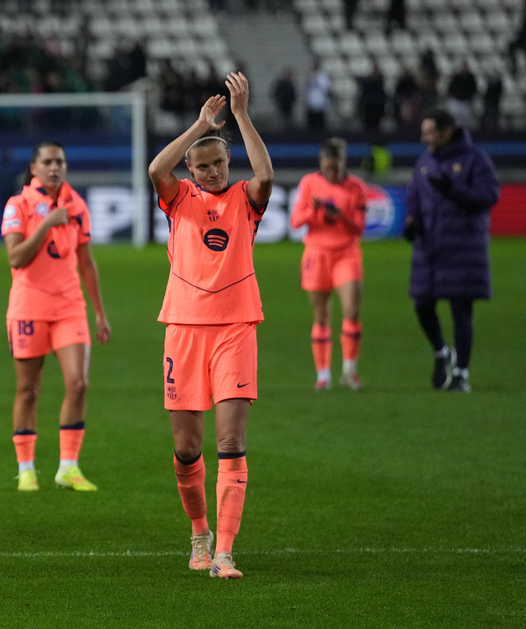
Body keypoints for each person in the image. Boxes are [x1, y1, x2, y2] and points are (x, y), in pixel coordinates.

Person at [148, 71, 273, 580]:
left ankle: (224, 551)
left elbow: (265, 175)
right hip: (183, 328)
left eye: (219, 162)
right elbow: (157, 167)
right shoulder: (179, 199)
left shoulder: (247, 198)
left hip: (236, 328)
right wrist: (199, 124)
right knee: (186, 449)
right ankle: (199, 530)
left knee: (230, 443)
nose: (214, 171)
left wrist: (240, 116)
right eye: (203, 166)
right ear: (193, 170)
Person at [1, 142, 110, 492]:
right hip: (29, 306)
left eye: (59, 161)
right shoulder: (18, 205)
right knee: (28, 390)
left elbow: (86, 262)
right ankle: (27, 468)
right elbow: (16, 258)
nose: (54, 167)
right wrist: (46, 223)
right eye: (47, 162)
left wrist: (99, 313)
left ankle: (68, 466)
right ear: (33, 167)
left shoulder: (76, 205)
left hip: (69, 307)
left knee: (78, 383)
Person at [403, 109, 500, 393]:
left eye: (429, 132)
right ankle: (442, 352)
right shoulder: (424, 161)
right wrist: (411, 221)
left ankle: (461, 374)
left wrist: (453, 189)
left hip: (463, 248)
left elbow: (489, 196)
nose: (423, 138)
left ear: (447, 132)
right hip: (428, 247)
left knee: (461, 309)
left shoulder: (475, 159)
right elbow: (414, 196)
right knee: (421, 303)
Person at [290, 138, 368, 392]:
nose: (331, 173)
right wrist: (313, 210)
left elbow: (359, 227)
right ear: (321, 164)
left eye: (336, 167)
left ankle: (349, 370)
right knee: (321, 315)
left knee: (351, 311)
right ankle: (323, 375)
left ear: (344, 163)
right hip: (317, 254)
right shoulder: (309, 183)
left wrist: (341, 216)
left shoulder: (356, 187)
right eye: (327, 167)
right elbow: (296, 221)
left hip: (346, 253)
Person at [304, 59, 331, 130]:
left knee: (319, 125)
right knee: (311, 125)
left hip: (319, 104)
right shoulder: (309, 77)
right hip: (311, 104)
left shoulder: (322, 77)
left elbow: (326, 89)